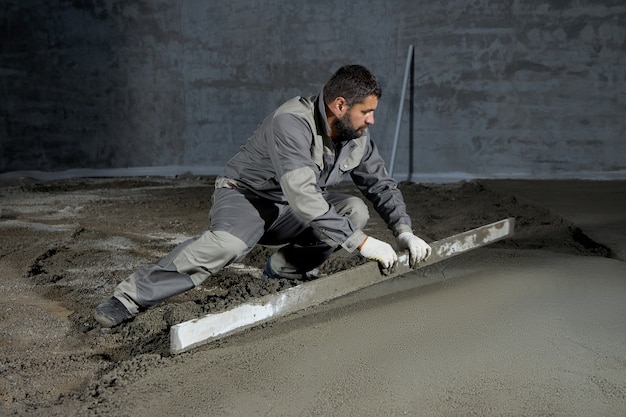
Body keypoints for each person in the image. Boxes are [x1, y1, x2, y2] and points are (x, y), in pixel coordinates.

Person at [94, 64, 432, 327]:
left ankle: (284, 270)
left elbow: (381, 185)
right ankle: (130, 298)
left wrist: (403, 231)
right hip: (246, 199)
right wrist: (362, 244)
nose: (371, 120)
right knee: (227, 246)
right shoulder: (291, 122)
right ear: (340, 105)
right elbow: (303, 195)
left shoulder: (357, 137)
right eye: (366, 112)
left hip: (289, 210)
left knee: (354, 209)